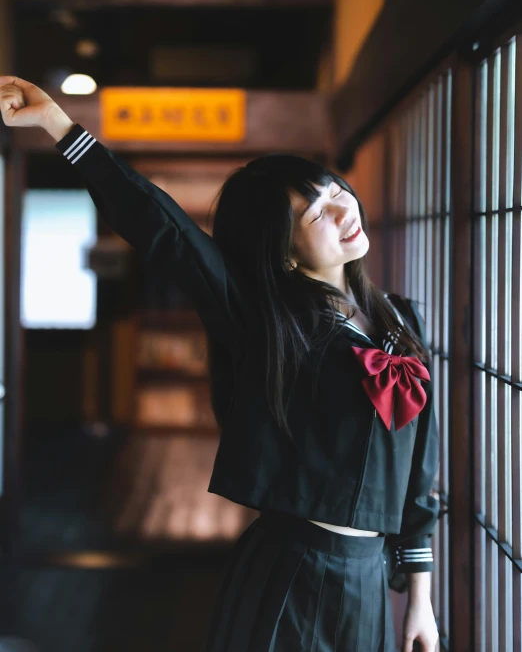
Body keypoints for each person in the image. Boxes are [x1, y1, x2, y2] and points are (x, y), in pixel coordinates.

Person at [0, 76, 440, 652]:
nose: (341, 210)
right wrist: (60, 125)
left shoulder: (401, 321)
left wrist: (422, 604)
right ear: (284, 251)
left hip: (369, 581)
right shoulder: (268, 322)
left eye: (334, 191)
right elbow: (167, 233)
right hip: (290, 573)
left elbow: (421, 481)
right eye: (314, 215)